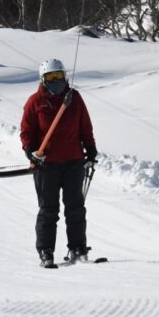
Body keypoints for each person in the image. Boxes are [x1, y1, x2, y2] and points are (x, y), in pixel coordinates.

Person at [20, 59, 97, 269]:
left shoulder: (75, 99)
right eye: (50, 78)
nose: (56, 81)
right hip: (47, 166)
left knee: (76, 208)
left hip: (73, 162)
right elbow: (26, 133)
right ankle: (46, 251)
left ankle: (78, 247)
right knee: (48, 210)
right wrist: (31, 152)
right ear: (42, 80)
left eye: (59, 77)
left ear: (65, 77)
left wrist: (90, 150)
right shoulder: (35, 102)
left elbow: (85, 127)